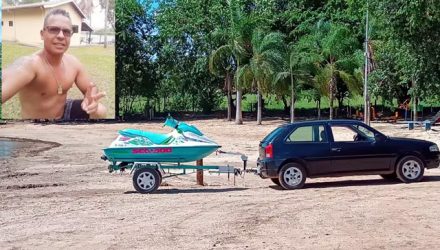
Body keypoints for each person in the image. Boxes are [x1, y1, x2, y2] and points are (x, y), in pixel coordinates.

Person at [1, 8, 106, 120]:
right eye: (54, 29)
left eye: (66, 31)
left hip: (63, 113)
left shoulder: (73, 63)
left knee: (100, 110)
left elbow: (90, 87)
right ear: (42, 34)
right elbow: (8, 77)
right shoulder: (31, 64)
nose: (61, 36)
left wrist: (90, 99)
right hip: (37, 126)